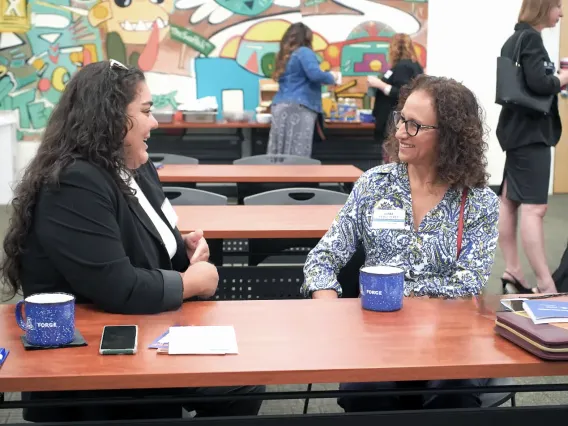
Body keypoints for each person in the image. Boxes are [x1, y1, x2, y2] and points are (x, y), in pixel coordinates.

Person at [0, 60, 264, 422]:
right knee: (240, 385)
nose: (154, 122)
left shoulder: (133, 165)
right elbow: (117, 285)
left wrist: (182, 251)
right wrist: (190, 282)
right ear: (110, 117)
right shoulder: (74, 182)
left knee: (244, 378)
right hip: (91, 352)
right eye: (146, 111)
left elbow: (150, 237)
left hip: (142, 323)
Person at [302, 75, 499, 410]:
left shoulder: (479, 202)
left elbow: (469, 282)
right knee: (365, 391)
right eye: (400, 120)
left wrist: (391, 295)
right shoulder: (374, 186)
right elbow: (322, 259)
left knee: (452, 393)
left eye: (414, 125)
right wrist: (328, 304)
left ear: (450, 137)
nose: (399, 133)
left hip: (447, 337)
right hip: (378, 339)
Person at [496, 0, 568, 294]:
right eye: (558, 7)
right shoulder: (532, 40)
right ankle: (545, 284)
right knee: (534, 209)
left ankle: (513, 269)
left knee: (509, 201)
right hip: (531, 135)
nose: (561, 14)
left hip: (515, 133)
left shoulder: (513, 40)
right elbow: (540, 83)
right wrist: (562, 78)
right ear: (543, 7)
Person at [267, 22, 337, 157]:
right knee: (298, 153)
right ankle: (297, 178)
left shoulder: (284, 55)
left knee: (278, 152)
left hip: (279, 106)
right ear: (307, 38)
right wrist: (331, 77)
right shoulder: (304, 52)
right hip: (299, 107)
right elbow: (315, 74)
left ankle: (275, 177)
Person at [367, 33, 423, 164]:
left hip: (393, 121)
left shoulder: (403, 67)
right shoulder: (410, 66)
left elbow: (403, 93)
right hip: (395, 121)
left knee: (391, 158)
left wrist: (379, 84)